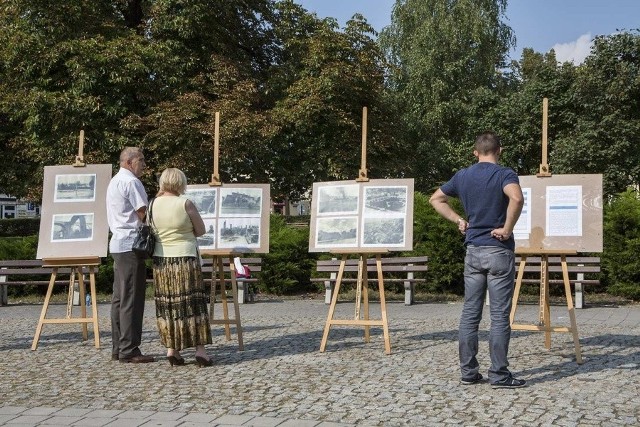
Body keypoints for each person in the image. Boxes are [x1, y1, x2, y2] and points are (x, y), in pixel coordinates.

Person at [429, 131, 526, 388]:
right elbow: (516, 197)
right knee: (499, 316)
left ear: (475, 152)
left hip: (473, 250)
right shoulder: (505, 174)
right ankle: (499, 375)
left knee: (470, 313)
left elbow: (436, 199)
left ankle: (469, 372)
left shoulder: (462, 176)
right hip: (498, 250)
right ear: (499, 150)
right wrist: (506, 228)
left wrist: (459, 220)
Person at [151, 168, 213, 367]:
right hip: (185, 258)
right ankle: (201, 351)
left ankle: (172, 349)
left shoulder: (152, 204)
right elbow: (201, 230)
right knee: (192, 303)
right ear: (181, 183)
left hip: (162, 260)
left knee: (169, 305)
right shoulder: (185, 203)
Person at [106, 147, 155, 363]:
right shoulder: (131, 182)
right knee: (131, 299)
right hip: (130, 245)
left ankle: (119, 347)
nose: (144, 164)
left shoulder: (115, 180)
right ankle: (129, 349)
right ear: (129, 162)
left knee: (119, 298)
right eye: (141, 160)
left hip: (118, 244)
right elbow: (143, 213)